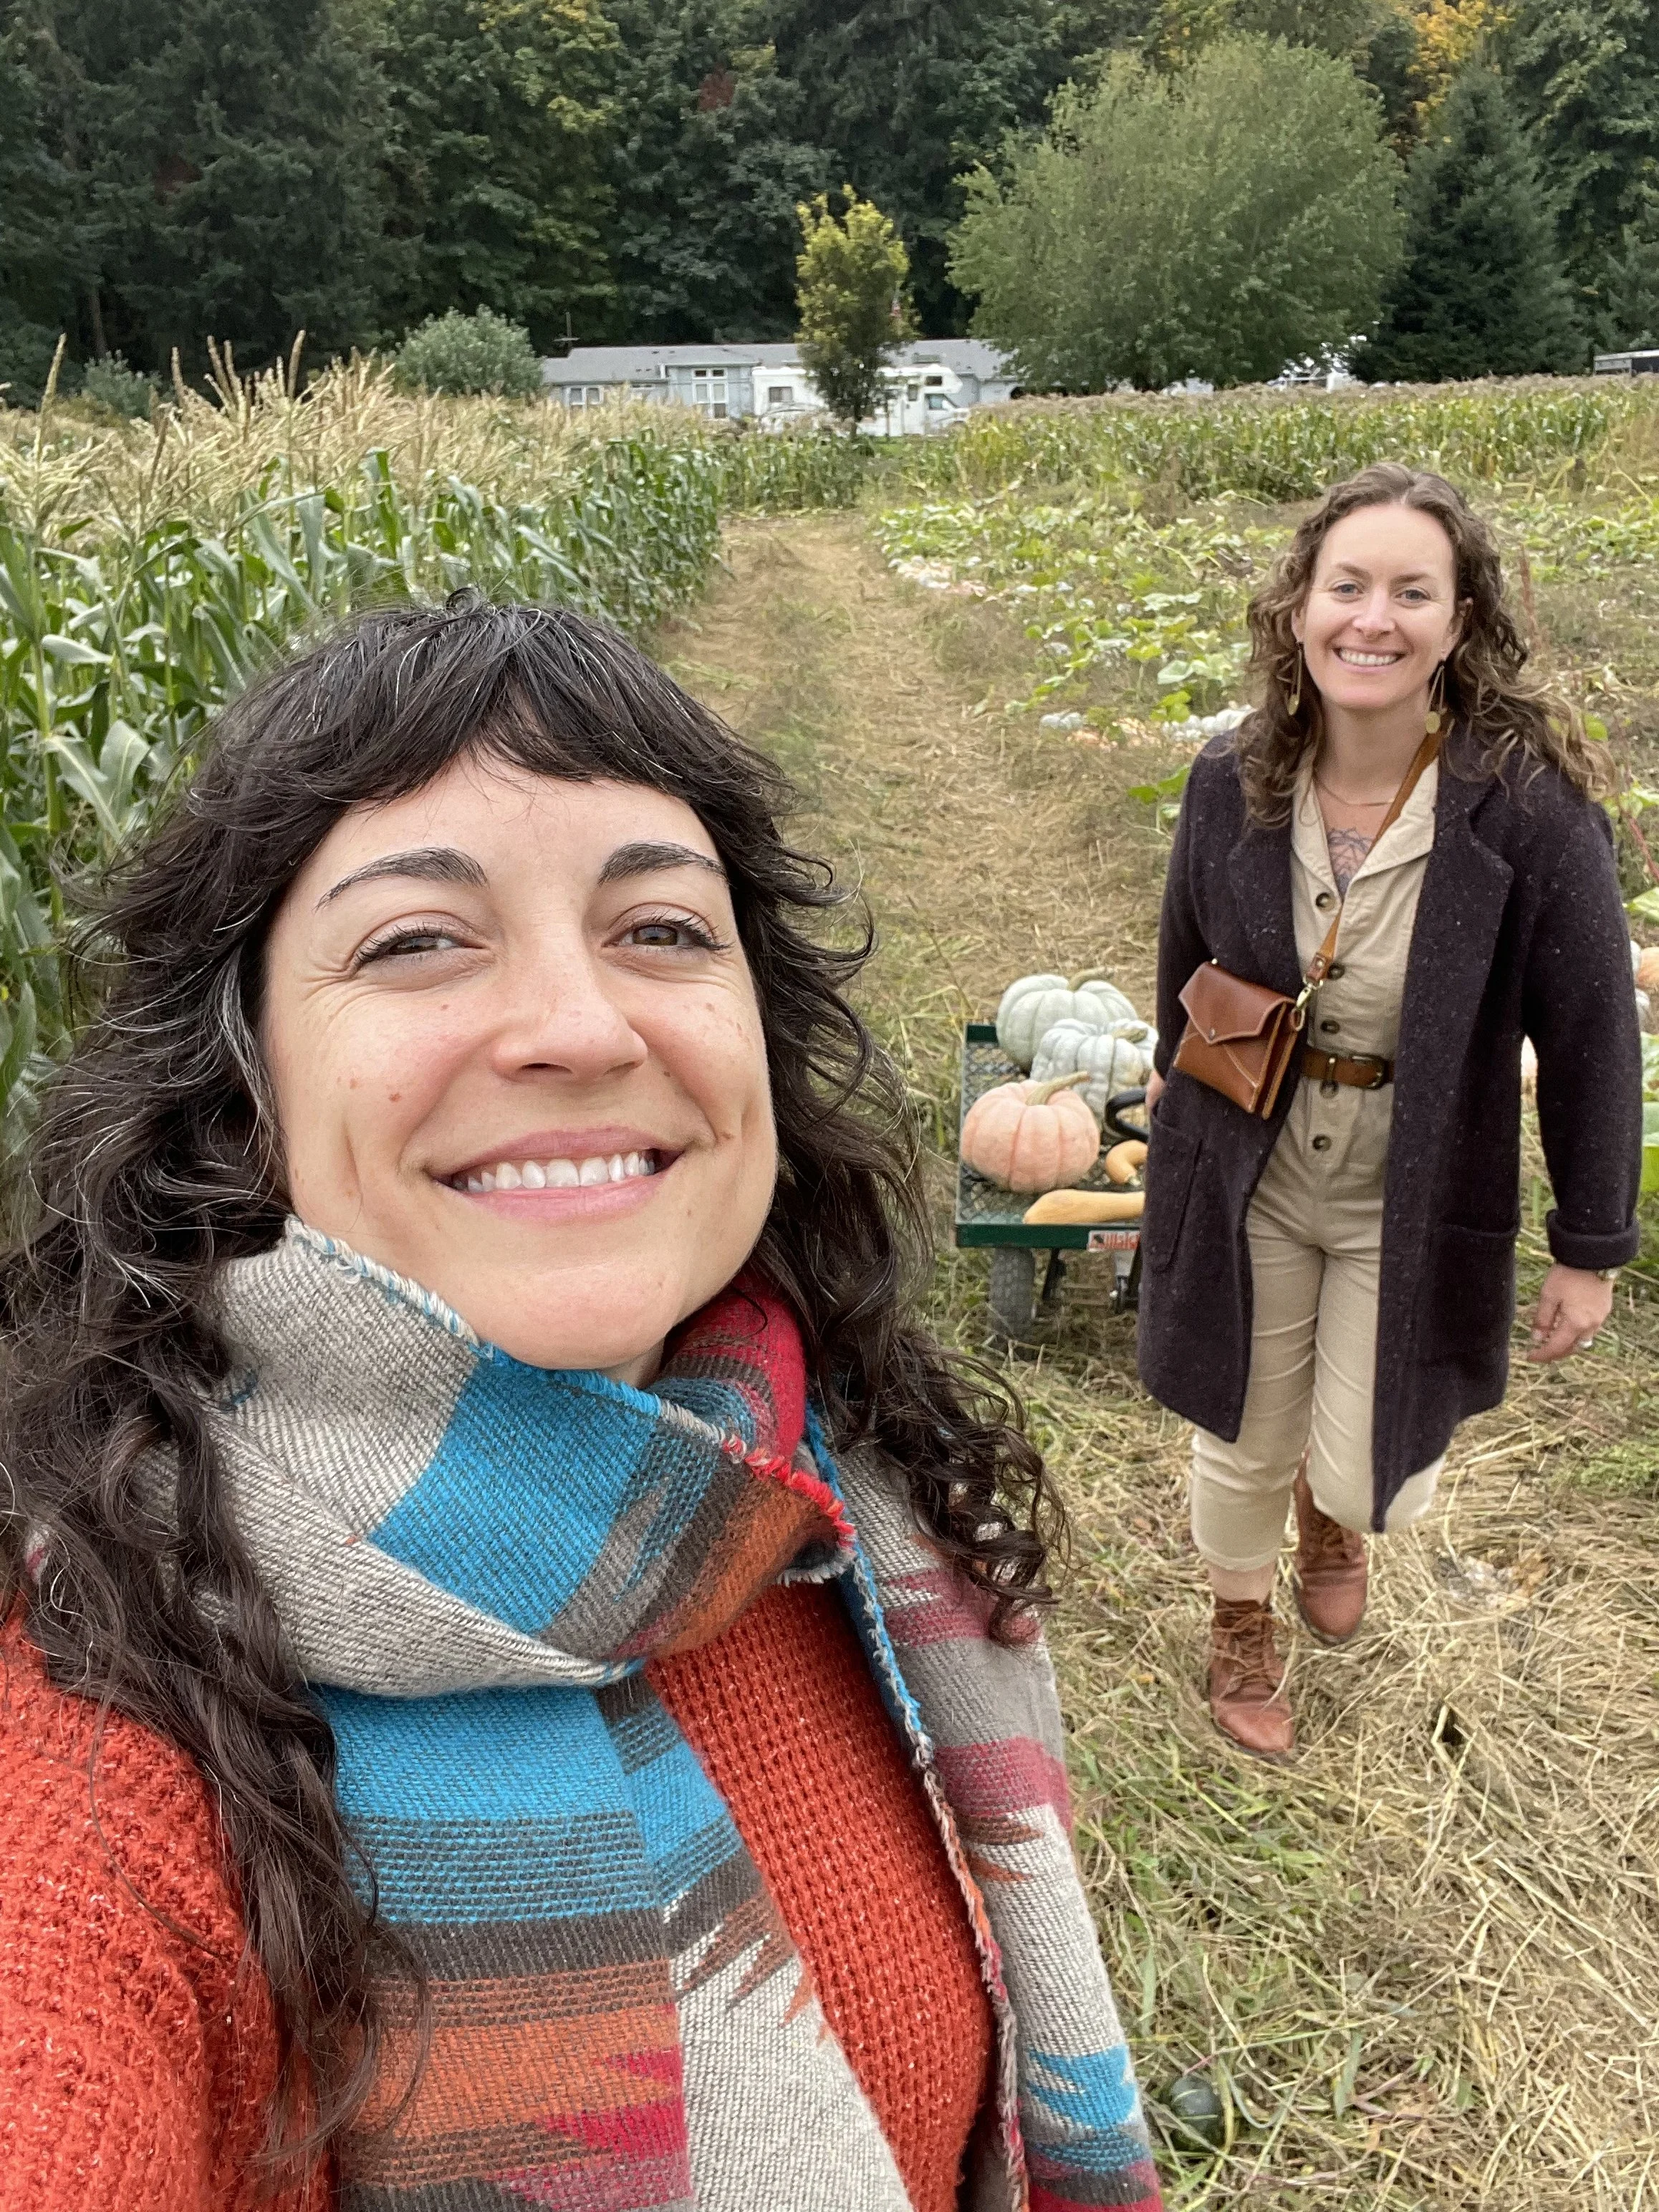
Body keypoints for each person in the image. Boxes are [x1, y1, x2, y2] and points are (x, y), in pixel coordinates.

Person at [0, 601, 1163, 2212]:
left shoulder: (820, 1498)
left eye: (663, 930)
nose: (580, 1025)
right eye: (416, 939)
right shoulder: (101, 1728)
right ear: (237, 1078)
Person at [1138, 464, 1642, 1762]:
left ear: (1458, 623)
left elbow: (1592, 1034)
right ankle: (1240, 1618)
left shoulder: (1529, 814)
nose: (1375, 618)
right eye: (1346, 586)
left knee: (1373, 1459)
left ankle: (1336, 1512)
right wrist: (1166, 1083)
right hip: (1250, 1162)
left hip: (1415, 1182)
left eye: (1412, 592)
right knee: (1242, 1422)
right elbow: (1188, 949)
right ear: (1299, 611)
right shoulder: (1231, 778)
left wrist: (1590, 1248)